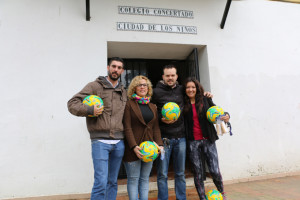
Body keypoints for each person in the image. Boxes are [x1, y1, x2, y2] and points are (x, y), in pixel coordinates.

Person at [67, 57, 127, 200]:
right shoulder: (94, 86)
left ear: (122, 71)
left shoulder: (123, 91)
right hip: (100, 142)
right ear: (108, 67)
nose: (116, 70)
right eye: (113, 66)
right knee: (101, 182)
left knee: (112, 182)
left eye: (119, 67)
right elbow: (72, 103)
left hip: (119, 143)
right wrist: (89, 109)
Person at [152, 65, 212, 200]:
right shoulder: (155, 92)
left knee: (180, 173)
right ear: (163, 77)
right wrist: (160, 119)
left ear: (177, 76)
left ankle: (181, 198)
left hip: (181, 138)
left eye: (172, 75)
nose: (170, 78)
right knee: (162, 174)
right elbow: (149, 111)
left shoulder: (181, 90)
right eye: (167, 75)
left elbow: (194, 94)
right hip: (163, 139)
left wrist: (206, 94)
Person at [182, 77, 229, 200]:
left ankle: (222, 194)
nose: (190, 89)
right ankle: (202, 198)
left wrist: (226, 115)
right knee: (198, 173)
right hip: (193, 142)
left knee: (214, 170)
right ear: (185, 89)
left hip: (208, 139)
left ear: (197, 88)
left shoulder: (205, 99)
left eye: (193, 87)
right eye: (188, 87)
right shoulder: (183, 103)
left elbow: (217, 112)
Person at [123, 75, 164, 200]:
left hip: (149, 149)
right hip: (133, 148)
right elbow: (127, 127)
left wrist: (160, 144)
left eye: (145, 85)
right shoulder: (129, 104)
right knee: (133, 179)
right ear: (134, 88)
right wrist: (134, 146)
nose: (142, 87)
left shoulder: (152, 106)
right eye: (139, 85)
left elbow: (155, 128)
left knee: (145, 179)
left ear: (148, 88)